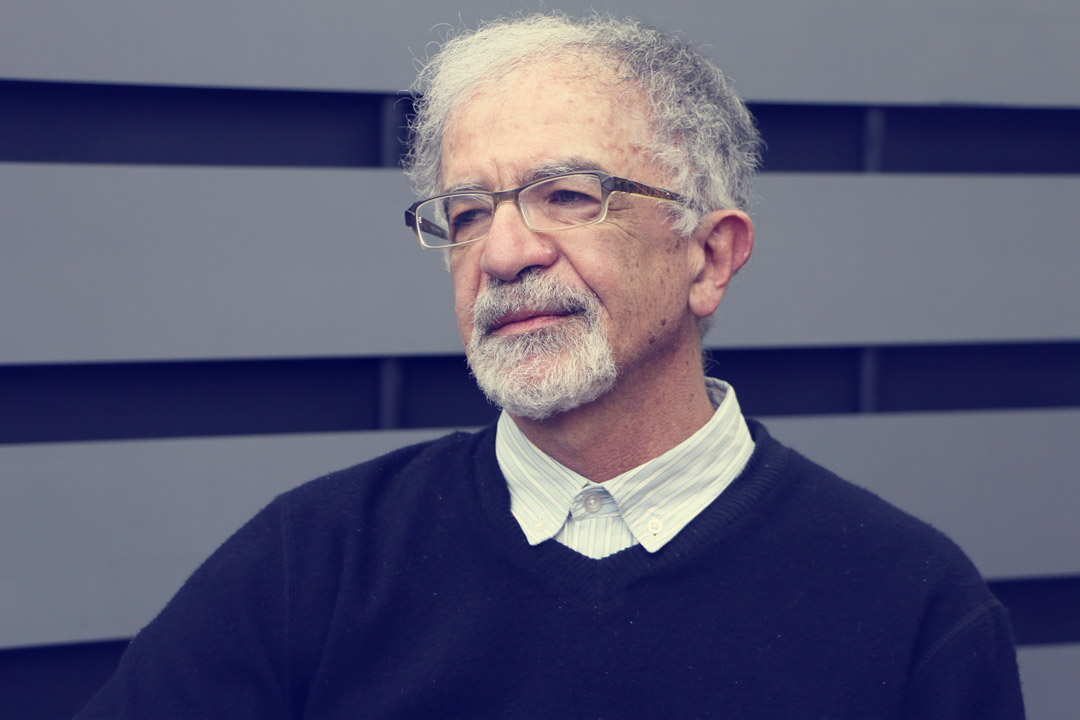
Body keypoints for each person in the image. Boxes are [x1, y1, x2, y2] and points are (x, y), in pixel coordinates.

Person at [78, 12, 1024, 719]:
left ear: (709, 257)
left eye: (568, 195)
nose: (502, 253)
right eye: (467, 212)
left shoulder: (912, 607)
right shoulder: (313, 563)